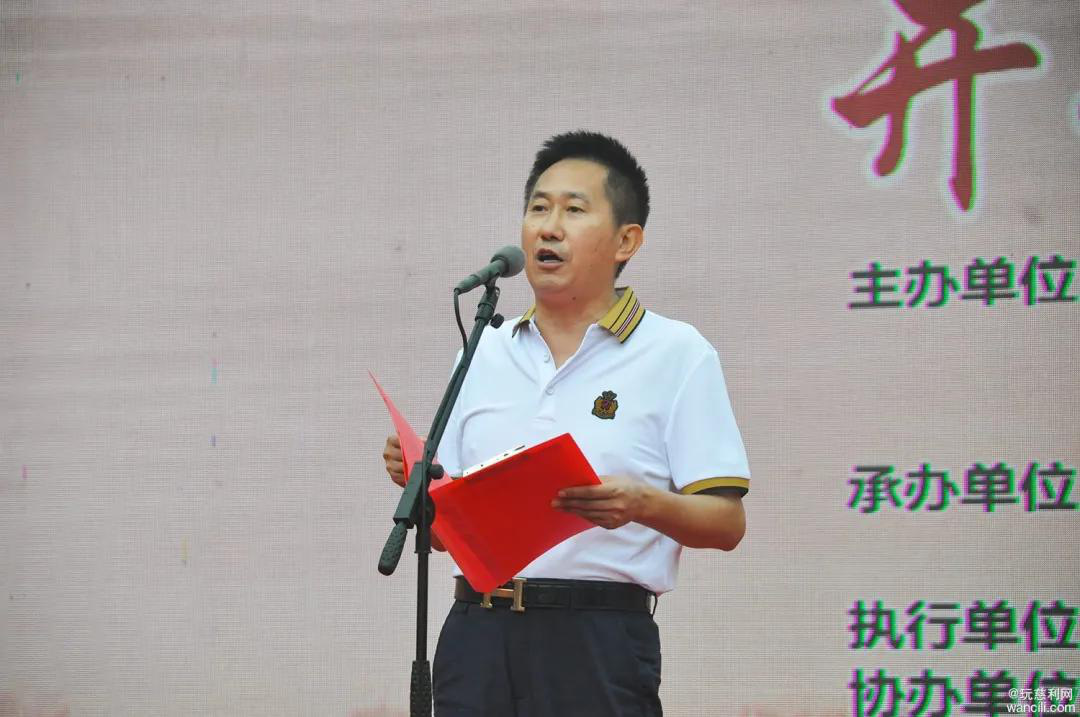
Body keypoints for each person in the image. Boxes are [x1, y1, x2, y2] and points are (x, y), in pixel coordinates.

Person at [382, 131, 750, 716]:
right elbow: (444, 538)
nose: (548, 228)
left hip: (595, 641)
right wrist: (422, 486)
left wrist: (641, 504)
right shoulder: (483, 350)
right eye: (538, 209)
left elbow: (726, 523)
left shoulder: (676, 353)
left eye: (574, 211)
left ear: (626, 240)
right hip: (476, 636)